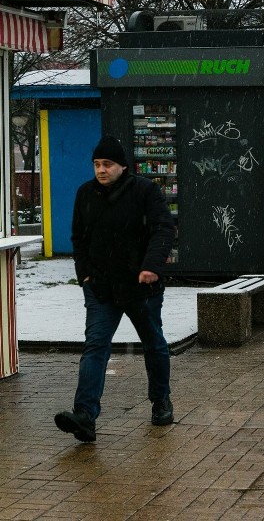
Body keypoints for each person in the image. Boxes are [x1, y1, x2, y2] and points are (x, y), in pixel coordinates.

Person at [55, 135, 176, 443]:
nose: (101, 170)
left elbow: (163, 228)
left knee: (154, 344)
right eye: (97, 164)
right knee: (95, 346)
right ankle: (84, 416)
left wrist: (150, 266)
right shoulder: (86, 194)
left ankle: (161, 400)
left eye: (107, 164)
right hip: (101, 286)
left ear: (123, 165)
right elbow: (78, 239)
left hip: (141, 285)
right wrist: (85, 275)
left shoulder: (146, 192)